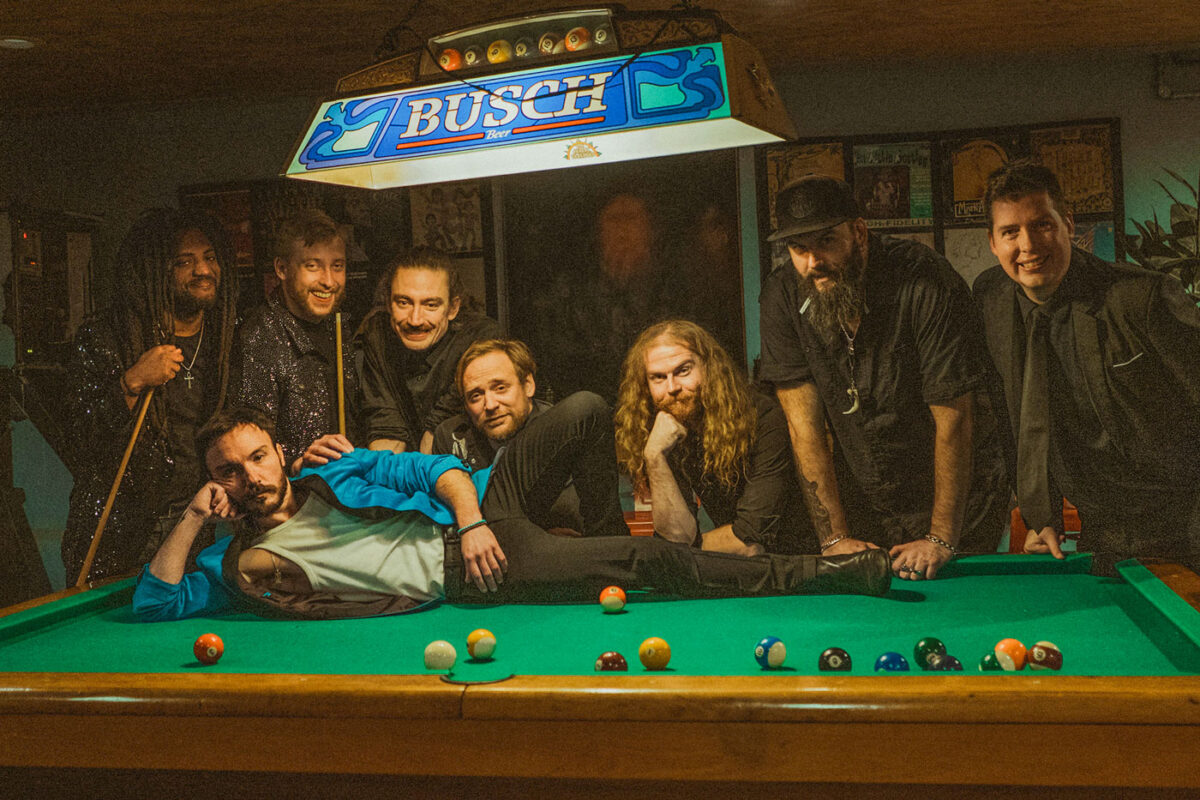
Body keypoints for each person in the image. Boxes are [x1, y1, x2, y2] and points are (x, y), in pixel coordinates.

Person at [130, 407, 891, 621]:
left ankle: (587, 544)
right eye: (229, 471)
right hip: (471, 573)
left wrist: (474, 518)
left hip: (481, 517)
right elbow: (155, 601)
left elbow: (441, 469)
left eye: (256, 457)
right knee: (649, 561)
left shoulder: (340, 469)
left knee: (587, 412)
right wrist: (196, 517)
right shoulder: (228, 566)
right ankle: (826, 573)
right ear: (218, 484)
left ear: (278, 450)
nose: (249, 475)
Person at [759, 175, 1006, 581]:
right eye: (798, 248)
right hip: (867, 499)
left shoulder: (926, 279)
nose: (812, 262)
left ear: (859, 232)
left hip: (960, 501)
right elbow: (805, 427)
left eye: (826, 242)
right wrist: (834, 538)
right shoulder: (782, 294)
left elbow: (954, 416)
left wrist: (941, 537)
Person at [973, 160, 1200, 573]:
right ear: (992, 241)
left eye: (1042, 224)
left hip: (1183, 523)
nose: (1027, 246)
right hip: (1102, 530)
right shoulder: (991, 299)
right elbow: (1015, 413)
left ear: (1069, 224)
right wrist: (1042, 515)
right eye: (1010, 232)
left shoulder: (1142, 299)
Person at [62, 209, 238, 581]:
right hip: (118, 532)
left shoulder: (226, 339)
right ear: (154, 271)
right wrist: (131, 382)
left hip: (194, 525)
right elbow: (77, 441)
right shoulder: (107, 336)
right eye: (184, 262)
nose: (203, 270)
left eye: (209, 258)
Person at [614, 320, 812, 556]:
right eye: (658, 377)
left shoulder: (762, 417)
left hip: (801, 562)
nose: (672, 387)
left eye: (683, 370)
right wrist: (654, 456)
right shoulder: (667, 432)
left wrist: (682, 551)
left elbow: (749, 538)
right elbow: (677, 536)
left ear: (709, 368)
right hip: (736, 568)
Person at [233, 208, 358, 474]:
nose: (328, 281)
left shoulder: (338, 324)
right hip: (292, 496)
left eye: (337, 266)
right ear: (282, 269)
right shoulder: (259, 336)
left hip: (344, 485)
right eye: (312, 266)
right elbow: (249, 442)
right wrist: (297, 462)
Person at [432, 338, 586, 533]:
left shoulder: (560, 431)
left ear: (528, 385)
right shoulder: (452, 436)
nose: (490, 405)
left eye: (500, 388)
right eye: (476, 396)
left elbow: (570, 517)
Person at [356, 247, 499, 455]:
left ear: (453, 308)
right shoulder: (377, 335)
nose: (415, 320)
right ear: (388, 303)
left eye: (430, 305)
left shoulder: (483, 338)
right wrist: (386, 479)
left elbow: (437, 433)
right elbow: (385, 425)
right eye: (403, 302)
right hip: (411, 471)